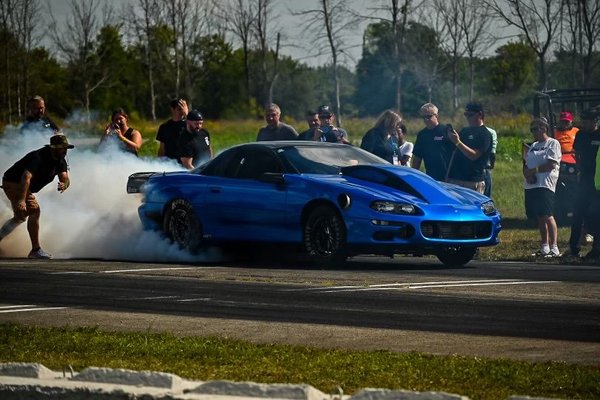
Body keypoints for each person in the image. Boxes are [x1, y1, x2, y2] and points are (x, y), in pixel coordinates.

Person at [0, 134, 74, 259]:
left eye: (66, 147)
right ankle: (35, 250)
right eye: (62, 147)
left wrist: (64, 184)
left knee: (20, 217)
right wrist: (22, 200)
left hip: (16, 184)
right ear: (53, 148)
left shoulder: (61, 160)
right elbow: (26, 178)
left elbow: (65, 178)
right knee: (34, 211)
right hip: (14, 182)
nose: (65, 150)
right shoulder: (38, 157)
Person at [523, 117, 562, 258]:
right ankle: (544, 246)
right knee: (539, 216)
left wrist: (534, 171)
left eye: (536, 129)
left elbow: (551, 164)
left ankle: (554, 246)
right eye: (531, 129)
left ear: (544, 128)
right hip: (532, 184)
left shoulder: (552, 143)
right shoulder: (533, 146)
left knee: (547, 215)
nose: (533, 132)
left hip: (545, 183)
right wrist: (528, 174)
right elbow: (527, 164)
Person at [567, 110, 600, 260]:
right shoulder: (580, 135)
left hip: (597, 182)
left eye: (587, 121)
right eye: (583, 120)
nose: (584, 123)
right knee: (577, 214)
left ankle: (596, 247)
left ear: (595, 121)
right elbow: (577, 154)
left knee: (594, 214)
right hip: (584, 180)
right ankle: (574, 248)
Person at [446, 102, 493, 194]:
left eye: (470, 115)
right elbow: (454, 153)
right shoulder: (464, 131)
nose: (467, 118)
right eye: (466, 115)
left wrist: (458, 142)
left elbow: (474, 156)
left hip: (472, 181)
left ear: (480, 114)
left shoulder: (485, 134)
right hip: (456, 179)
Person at [411, 103, 455, 181]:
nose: (426, 120)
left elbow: (456, 153)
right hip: (430, 177)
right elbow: (417, 158)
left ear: (436, 116)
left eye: (428, 116)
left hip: (449, 177)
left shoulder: (446, 131)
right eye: (423, 117)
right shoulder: (422, 135)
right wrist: (413, 177)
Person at [553, 111, 580, 224]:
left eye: (567, 122)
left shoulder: (577, 131)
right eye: (563, 121)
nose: (565, 124)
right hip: (560, 158)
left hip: (574, 157)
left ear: (571, 121)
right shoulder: (553, 132)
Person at [483, 125, 497, 197]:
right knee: (486, 196)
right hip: (485, 167)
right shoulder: (491, 132)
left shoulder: (466, 131)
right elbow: (492, 152)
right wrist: (492, 164)